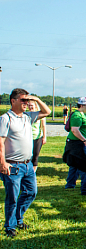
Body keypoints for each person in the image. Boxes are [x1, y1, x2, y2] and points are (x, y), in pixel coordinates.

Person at [0, 88, 51, 237]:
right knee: (12, 197)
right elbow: (1, 142)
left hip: (27, 164)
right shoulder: (5, 119)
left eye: (28, 100)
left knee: (31, 192)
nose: (26, 103)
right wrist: (2, 163)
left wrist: (36, 99)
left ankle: (18, 219)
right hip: (12, 165)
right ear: (13, 101)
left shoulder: (28, 117)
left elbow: (47, 112)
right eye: (23, 100)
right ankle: (10, 226)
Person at [63, 97, 86, 189]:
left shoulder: (80, 114)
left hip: (74, 143)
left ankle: (70, 185)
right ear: (82, 105)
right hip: (77, 144)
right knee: (84, 164)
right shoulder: (77, 115)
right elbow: (75, 130)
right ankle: (85, 185)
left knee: (74, 165)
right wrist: (84, 140)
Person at [29, 101, 46, 172]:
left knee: (35, 155)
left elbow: (43, 126)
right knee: (29, 155)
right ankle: (28, 170)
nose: (30, 107)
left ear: (35, 106)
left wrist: (44, 137)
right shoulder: (26, 114)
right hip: (28, 138)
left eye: (32, 105)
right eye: (29, 105)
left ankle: (33, 171)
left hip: (37, 137)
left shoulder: (40, 115)